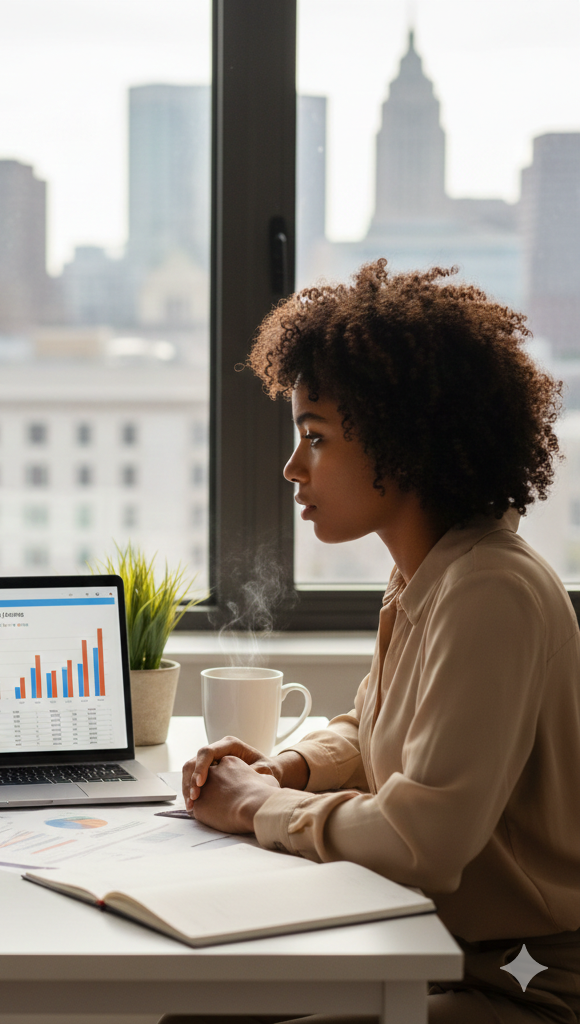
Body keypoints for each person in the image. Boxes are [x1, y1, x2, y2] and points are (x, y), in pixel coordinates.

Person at [173, 261, 580, 1024]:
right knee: (198, 1012)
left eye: (315, 437)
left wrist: (263, 804)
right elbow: (376, 728)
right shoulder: (429, 573)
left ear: (405, 441)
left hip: (521, 989)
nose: (293, 467)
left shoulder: (489, 592)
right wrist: (287, 764)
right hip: (439, 954)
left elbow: (423, 839)